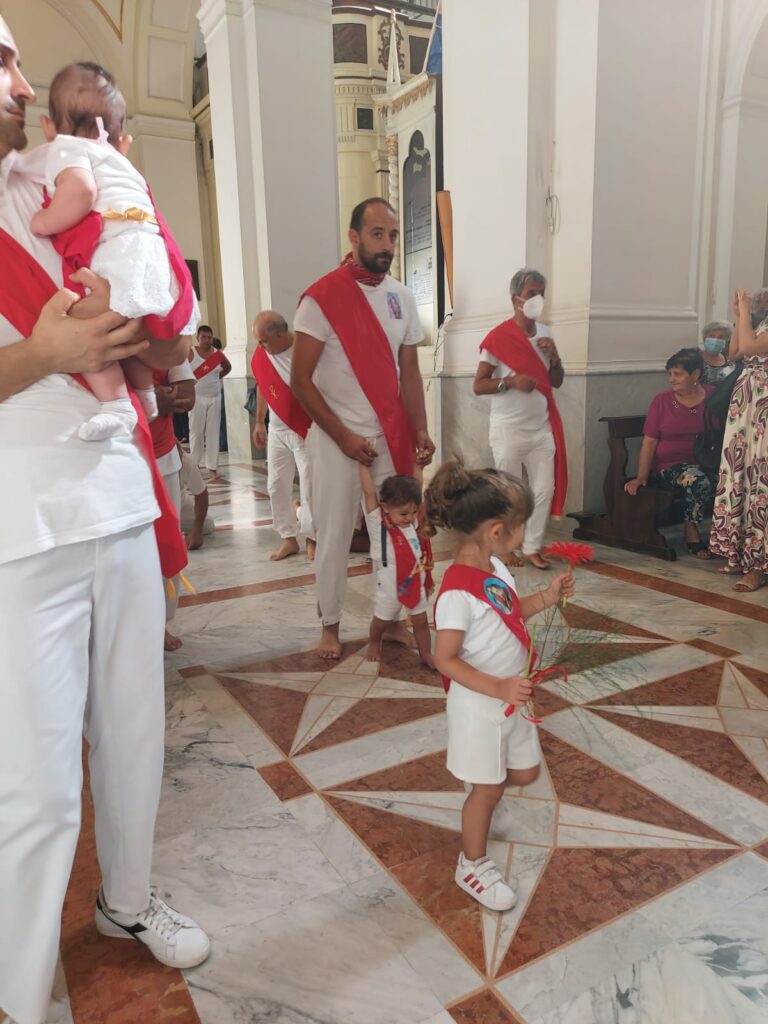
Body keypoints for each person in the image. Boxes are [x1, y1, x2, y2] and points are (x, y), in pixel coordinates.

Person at [0, 19, 209, 1024]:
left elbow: (161, 347)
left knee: (134, 734)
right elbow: (42, 351)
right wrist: (41, 356)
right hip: (17, 524)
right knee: (35, 787)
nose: (22, 77)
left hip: (119, 496)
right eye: (0, 56)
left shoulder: (63, 174)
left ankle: (127, 901)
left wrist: (158, 342)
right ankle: (18, 985)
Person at [292, 197, 435, 660]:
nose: (387, 244)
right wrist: (342, 437)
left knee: (395, 534)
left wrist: (421, 431)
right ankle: (330, 625)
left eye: (392, 235)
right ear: (353, 237)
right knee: (333, 535)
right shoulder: (321, 298)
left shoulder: (402, 296)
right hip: (337, 439)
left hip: (390, 435)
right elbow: (300, 380)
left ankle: (389, 619)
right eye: (377, 234)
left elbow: (409, 373)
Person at [428, 460, 573, 911]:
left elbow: (510, 612)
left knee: (525, 773)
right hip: (483, 706)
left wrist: (546, 597)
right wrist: (499, 688)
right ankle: (472, 863)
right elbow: (444, 659)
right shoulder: (455, 592)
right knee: (486, 790)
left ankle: (484, 793)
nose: (521, 534)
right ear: (495, 530)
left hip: (512, 700)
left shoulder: (495, 569)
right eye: (519, 527)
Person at [29, 62, 196, 442]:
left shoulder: (64, 153)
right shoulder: (130, 172)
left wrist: (43, 221)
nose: (22, 87)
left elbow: (174, 350)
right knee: (120, 314)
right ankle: (144, 395)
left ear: (48, 128)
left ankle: (121, 402)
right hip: (146, 252)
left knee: (89, 323)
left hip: (116, 256)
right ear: (123, 140)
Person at [473, 269, 567, 570]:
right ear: (516, 299)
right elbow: (479, 385)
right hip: (508, 430)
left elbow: (557, 381)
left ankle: (531, 547)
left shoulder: (547, 333)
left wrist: (555, 359)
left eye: (542, 293)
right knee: (508, 494)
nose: (537, 299)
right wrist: (509, 383)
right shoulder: (498, 338)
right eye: (531, 293)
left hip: (540, 427)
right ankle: (503, 549)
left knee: (543, 490)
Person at [624, 348, 715, 558]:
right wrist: (642, 477)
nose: (671, 379)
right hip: (670, 467)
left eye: (678, 374)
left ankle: (730, 538)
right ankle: (690, 531)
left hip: (705, 462)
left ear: (696, 375)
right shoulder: (663, 401)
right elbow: (649, 441)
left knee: (731, 479)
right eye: (670, 374)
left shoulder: (711, 396)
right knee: (698, 480)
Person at [709, 288, 768, 591]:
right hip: (746, 407)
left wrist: (744, 312)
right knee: (739, 474)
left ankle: (758, 566)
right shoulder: (759, 325)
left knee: (759, 479)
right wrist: (739, 315)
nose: (760, 301)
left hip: (763, 410)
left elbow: (748, 346)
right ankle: (739, 553)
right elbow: (734, 352)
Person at [251, 310, 315, 561]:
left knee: (310, 486)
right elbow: (263, 385)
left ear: (281, 334)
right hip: (277, 429)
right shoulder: (264, 353)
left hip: (305, 430)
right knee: (276, 485)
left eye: (264, 341)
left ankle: (313, 537)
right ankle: (288, 538)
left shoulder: (306, 352)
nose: (260, 346)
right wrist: (259, 422)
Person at [359, 463, 434, 666]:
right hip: (389, 581)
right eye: (403, 514)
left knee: (420, 620)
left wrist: (417, 466)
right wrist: (364, 467)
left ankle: (426, 654)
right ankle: (375, 641)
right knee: (382, 620)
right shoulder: (378, 523)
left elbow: (417, 487)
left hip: (414, 578)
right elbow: (368, 493)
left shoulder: (411, 521)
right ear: (385, 507)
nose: (409, 518)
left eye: (413, 512)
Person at [151, 360, 196, 651]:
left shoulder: (165, 340)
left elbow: (187, 398)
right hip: (113, 455)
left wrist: (156, 398)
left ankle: (163, 624)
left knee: (167, 542)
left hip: (162, 454)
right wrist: (148, 396)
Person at [189, 323, 230, 481]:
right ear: (198, 338)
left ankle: (212, 468)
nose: (207, 340)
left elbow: (227, 367)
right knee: (196, 432)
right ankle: (194, 465)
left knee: (213, 432)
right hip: (197, 398)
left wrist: (215, 378)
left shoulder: (218, 355)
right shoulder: (191, 353)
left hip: (214, 396)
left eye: (209, 337)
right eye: (204, 337)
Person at [700, 319, 735, 385]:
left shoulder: (731, 363)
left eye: (721, 337)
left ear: (727, 340)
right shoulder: (695, 359)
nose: (716, 340)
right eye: (712, 336)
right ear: (704, 338)